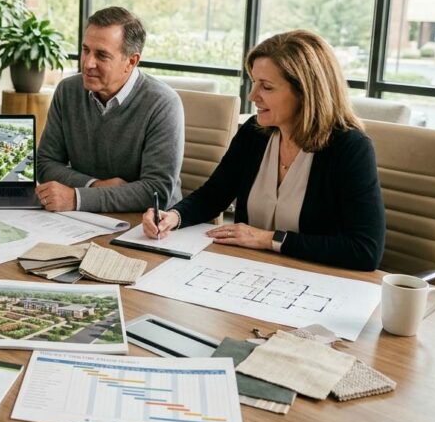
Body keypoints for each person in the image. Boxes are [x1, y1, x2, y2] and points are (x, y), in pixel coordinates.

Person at [142, 29, 385, 271]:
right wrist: (173, 217)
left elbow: (365, 250)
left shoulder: (350, 148)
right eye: (254, 83)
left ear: (305, 93)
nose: (252, 95)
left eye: (266, 87)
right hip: (246, 270)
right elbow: (213, 195)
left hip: (315, 280)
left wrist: (267, 239)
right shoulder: (255, 133)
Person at [35, 6, 184, 213]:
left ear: (131, 61)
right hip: (83, 220)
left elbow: (156, 191)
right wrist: (94, 186)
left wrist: (77, 198)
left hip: (149, 224)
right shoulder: (67, 90)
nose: (88, 63)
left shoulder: (163, 103)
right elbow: (45, 163)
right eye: (85, 50)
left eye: (102, 55)